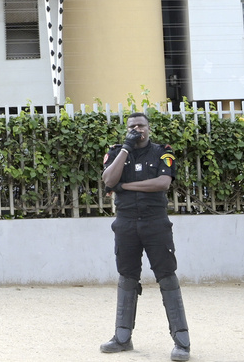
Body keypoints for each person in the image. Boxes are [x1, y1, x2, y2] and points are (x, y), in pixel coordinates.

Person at [100, 112, 189, 361]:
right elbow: (108, 179)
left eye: (141, 125)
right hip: (126, 223)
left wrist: (123, 187)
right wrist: (126, 148)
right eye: (132, 126)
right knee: (127, 277)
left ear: (149, 128)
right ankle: (122, 337)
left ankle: (182, 341)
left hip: (155, 223)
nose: (137, 129)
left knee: (167, 277)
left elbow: (162, 183)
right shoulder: (118, 152)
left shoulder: (162, 152)